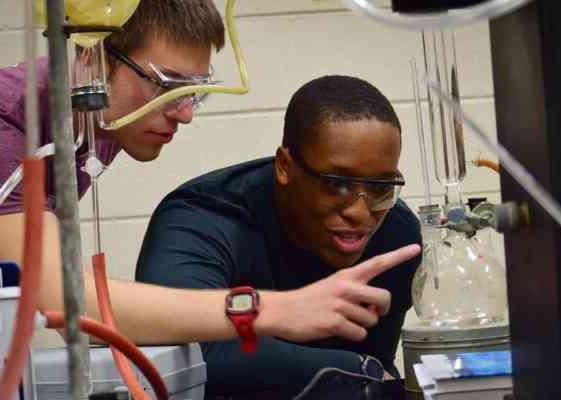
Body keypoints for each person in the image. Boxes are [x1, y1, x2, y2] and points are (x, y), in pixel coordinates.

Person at [0, 1, 420, 346]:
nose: (183, 114)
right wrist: (274, 310)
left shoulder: (102, 123)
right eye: (167, 85)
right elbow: (60, 297)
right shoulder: (13, 127)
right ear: (91, 58)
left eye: (194, 92)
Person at [136, 75, 422, 398]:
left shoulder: (397, 234)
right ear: (285, 166)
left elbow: (378, 364)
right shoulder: (202, 219)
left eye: (381, 188)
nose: (360, 211)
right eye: (337, 184)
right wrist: (356, 369)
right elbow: (190, 353)